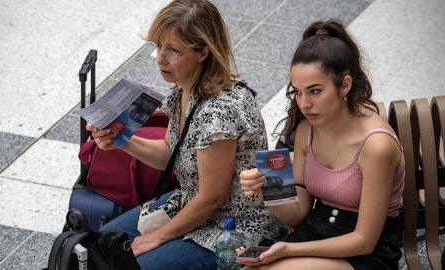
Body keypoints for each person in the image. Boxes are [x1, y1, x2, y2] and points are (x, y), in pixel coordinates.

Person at [86, 0, 282, 269]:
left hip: (231, 230)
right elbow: (170, 153)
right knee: (99, 245)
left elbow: (211, 198)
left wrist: (156, 237)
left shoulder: (219, 114)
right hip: (190, 204)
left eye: (173, 50)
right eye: (158, 46)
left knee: (128, 264)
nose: (160, 58)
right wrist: (123, 140)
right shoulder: (184, 89)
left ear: (203, 52)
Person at [239, 19, 405, 270]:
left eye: (315, 91)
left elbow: (365, 241)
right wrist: (268, 189)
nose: (304, 104)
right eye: (298, 92)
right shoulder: (307, 129)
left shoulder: (376, 145)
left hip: (365, 251)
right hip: (316, 230)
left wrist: (287, 249)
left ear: (345, 85)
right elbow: (298, 214)